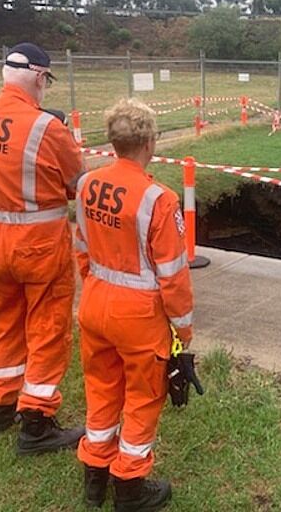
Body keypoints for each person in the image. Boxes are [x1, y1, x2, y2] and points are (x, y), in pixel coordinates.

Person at [74, 100, 194, 510]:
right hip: (139, 315)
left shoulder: (87, 184)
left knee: (101, 388)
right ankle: (129, 486)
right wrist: (183, 328)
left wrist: (94, 285)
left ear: (114, 141)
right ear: (150, 142)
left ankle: (95, 474)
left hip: (94, 301)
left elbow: (81, 248)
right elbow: (173, 274)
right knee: (142, 398)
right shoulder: (160, 199)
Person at [0, 42, 85, 455]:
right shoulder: (47, 128)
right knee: (48, 329)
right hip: (38, 247)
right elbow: (75, 184)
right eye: (46, 82)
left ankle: (0, 406)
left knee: (3, 324)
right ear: (38, 77)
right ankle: (37, 423)